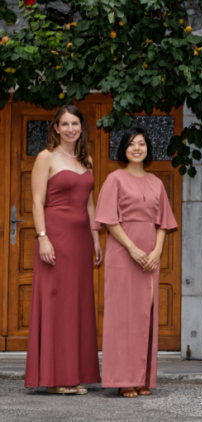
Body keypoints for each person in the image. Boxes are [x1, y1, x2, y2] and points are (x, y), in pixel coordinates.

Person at [93, 128, 177, 398]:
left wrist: (157, 252)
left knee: (144, 315)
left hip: (150, 258)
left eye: (141, 143)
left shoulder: (156, 182)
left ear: (147, 148)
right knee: (122, 316)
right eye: (131, 144)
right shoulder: (114, 179)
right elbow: (108, 220)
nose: (137, 148)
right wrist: (132, 248)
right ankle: (123, 379)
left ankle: (142, 377)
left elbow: (163, 223)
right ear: (124, 149)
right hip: (122, 254)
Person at [25, 105, 103, 395]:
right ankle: (55, 377)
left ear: (81, 127)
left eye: (75, 123)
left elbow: (90, 203)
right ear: (56, 128)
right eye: (65, 124)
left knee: (77, 305)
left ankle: (74, 373)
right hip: (55, 237)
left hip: (81, 240)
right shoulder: (45, 157)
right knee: (57, 304)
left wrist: (96, 238)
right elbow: (37, 201)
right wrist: (43, 237)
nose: (71, 129)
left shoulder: (87, 160)